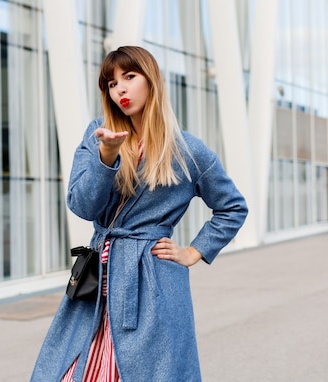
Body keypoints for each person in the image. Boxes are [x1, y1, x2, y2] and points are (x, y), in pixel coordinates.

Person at [31, 46, 248, 382]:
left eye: (129, 77)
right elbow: (82, 206)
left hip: (151, 281)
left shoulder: (188, 150)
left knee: (150, 370)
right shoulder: (98, 135)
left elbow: (232, 207)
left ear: (152, 80)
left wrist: (193, 251)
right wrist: (106, 157)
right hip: (97, 280)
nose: (120, 88)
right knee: (71, 368)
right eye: (111, 83)